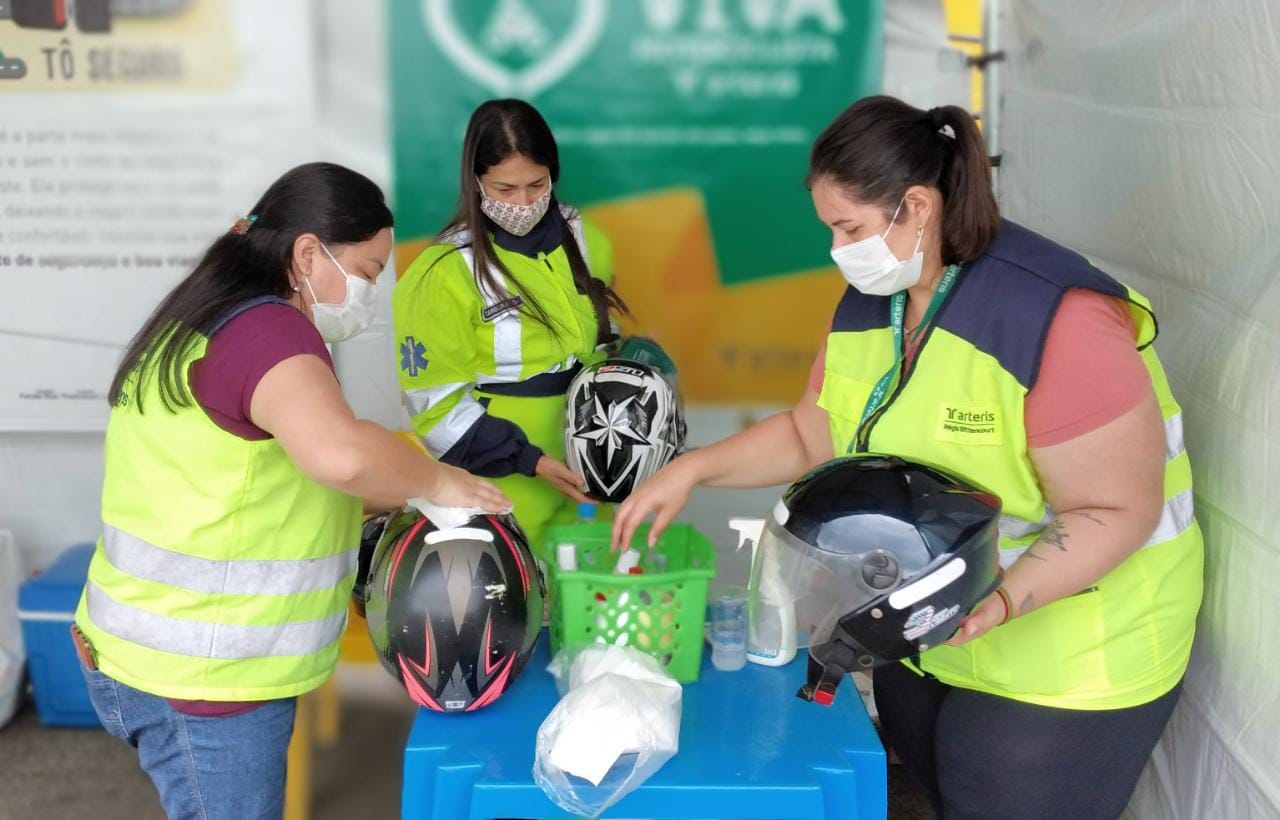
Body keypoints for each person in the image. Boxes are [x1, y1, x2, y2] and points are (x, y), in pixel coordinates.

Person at [613, 96, 1203, 819]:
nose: (836, 248)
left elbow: (1118, 508)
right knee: (932, 783)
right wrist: (691, 469)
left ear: (916, 206)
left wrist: (1004, 600)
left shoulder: (1057, 317)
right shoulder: (874, 302)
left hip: (1073, 653)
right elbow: (809, 435)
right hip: (935, 626)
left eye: (848, 228)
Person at [72, 162, 509, 820]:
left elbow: (259, 474)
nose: (369, 292)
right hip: (208, 679)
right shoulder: (267, 332)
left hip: (139, 648)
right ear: (308, 252)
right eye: (365, 272)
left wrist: (396, 479)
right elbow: (339, 456)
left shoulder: (205, 317)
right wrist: (440, 481)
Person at [393, 98, 626, 552]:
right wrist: (530, 460)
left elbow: (605, 342)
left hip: (592, 455)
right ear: (475, 180)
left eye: (537, 185)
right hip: (502, 476)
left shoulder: (585, 235)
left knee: (589, 590)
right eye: (504, 189)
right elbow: (436, 409)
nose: (523, 202)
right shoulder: (442, 272)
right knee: (518, 598)